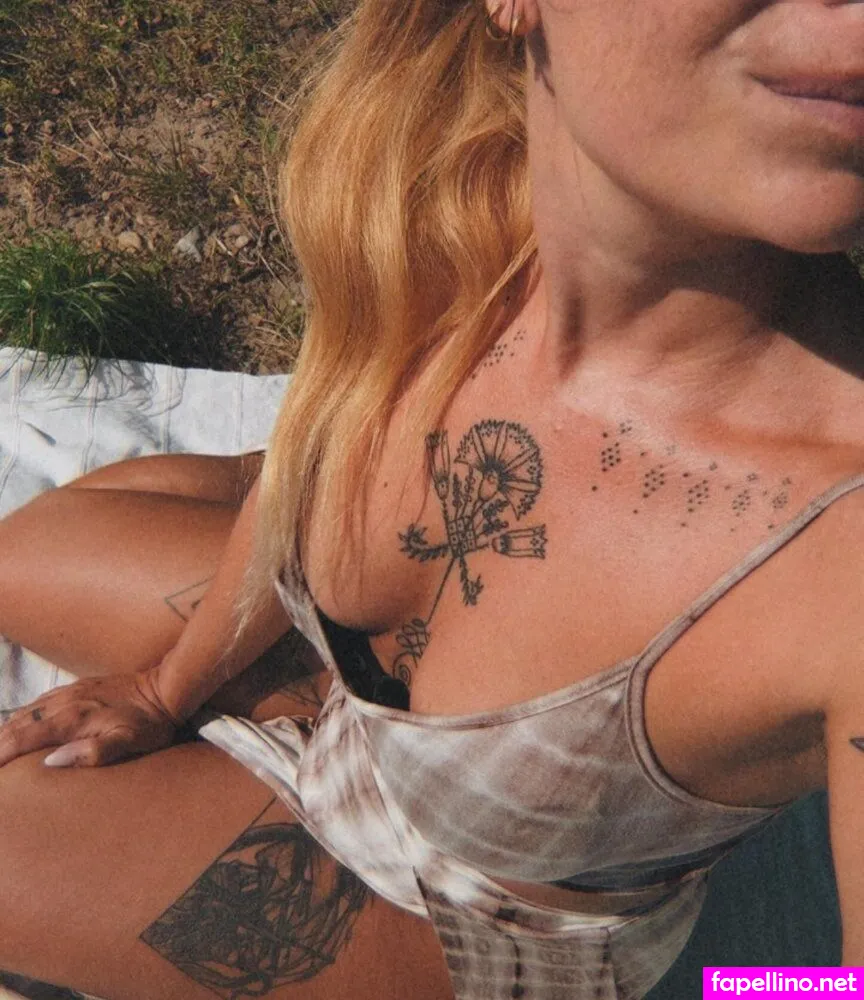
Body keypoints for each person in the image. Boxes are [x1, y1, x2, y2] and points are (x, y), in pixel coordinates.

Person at [1, 0, 864, 997]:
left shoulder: (839, 550)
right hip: (365, 719)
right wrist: (163, 691)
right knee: (29, 551)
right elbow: (307, 454)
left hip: (462, 925)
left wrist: (741, 989)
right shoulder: (450, 203)